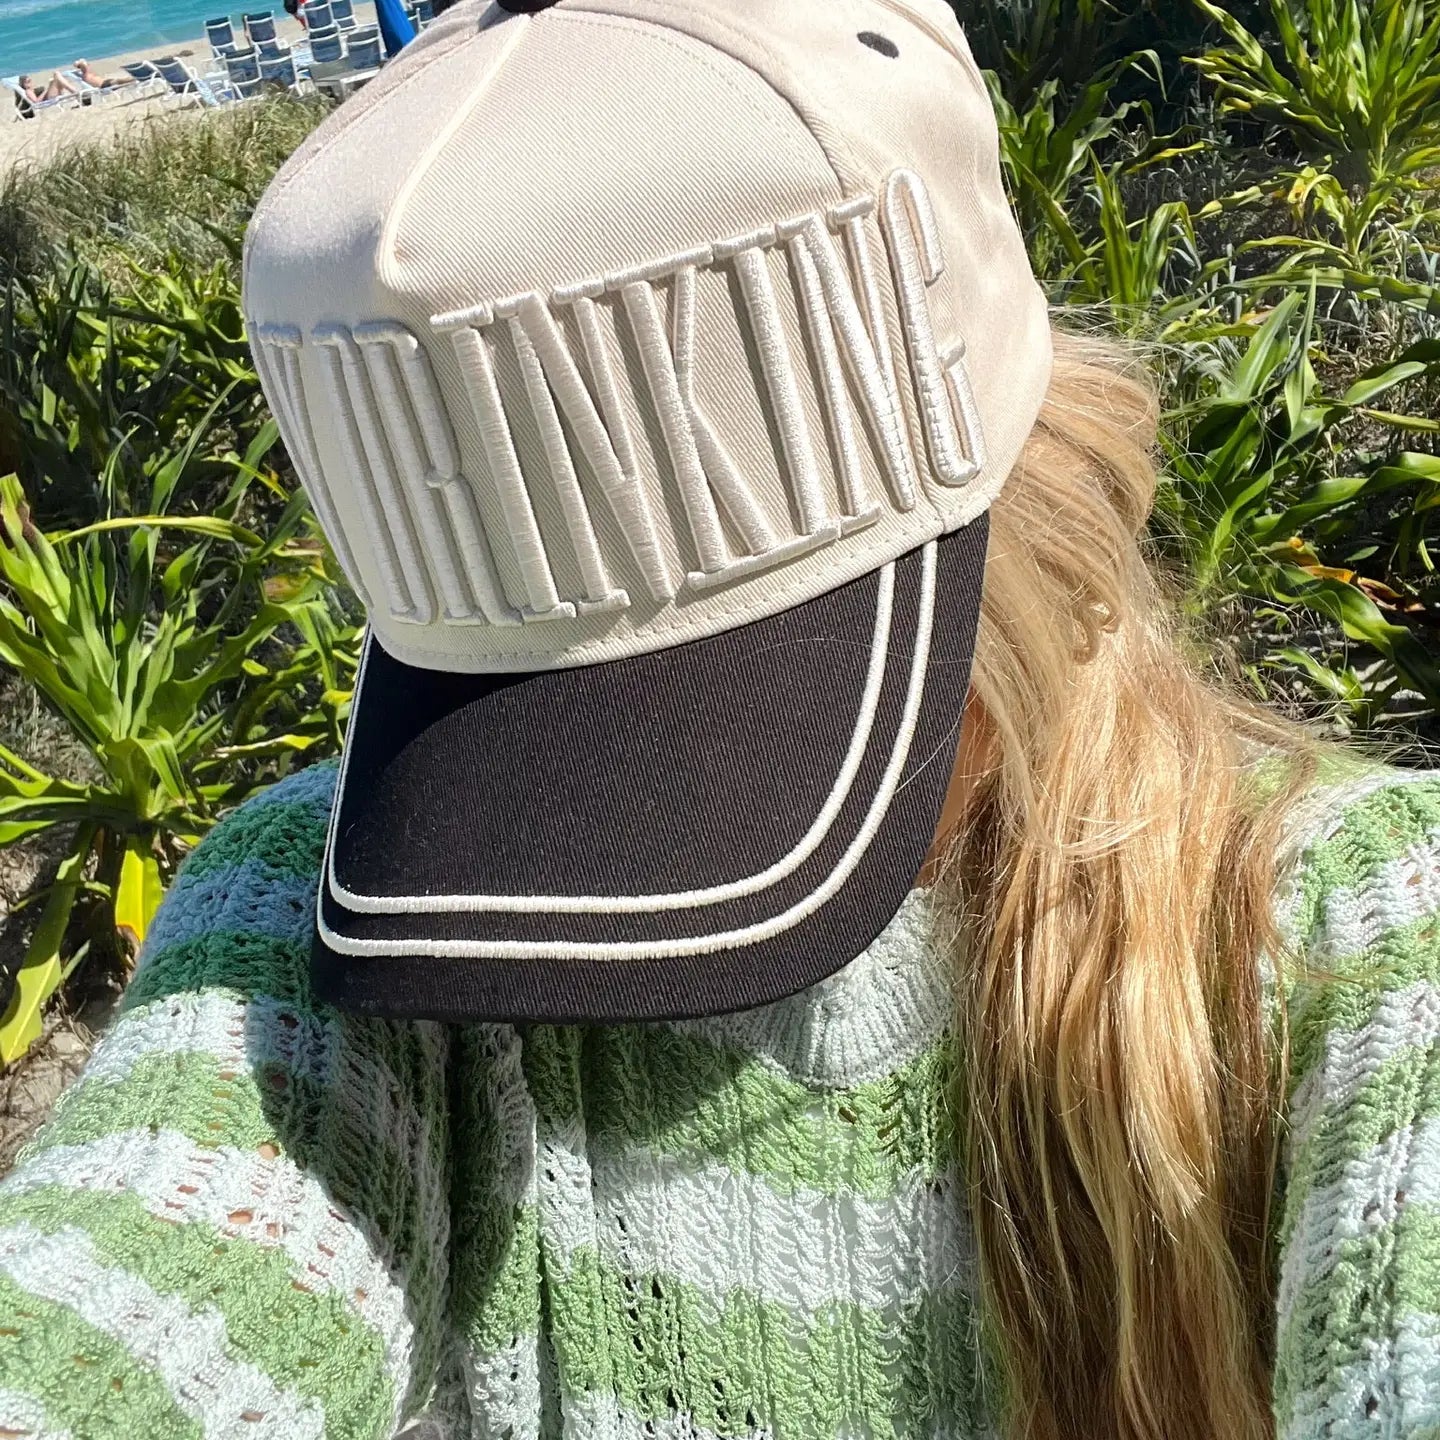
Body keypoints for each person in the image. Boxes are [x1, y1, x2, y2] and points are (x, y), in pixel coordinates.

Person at [0, 1, 1435, 1438]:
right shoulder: (313, 910)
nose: (599, 864)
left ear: (1021, 493)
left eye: (726, 697)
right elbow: (143, 1282)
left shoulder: (1342, 931)